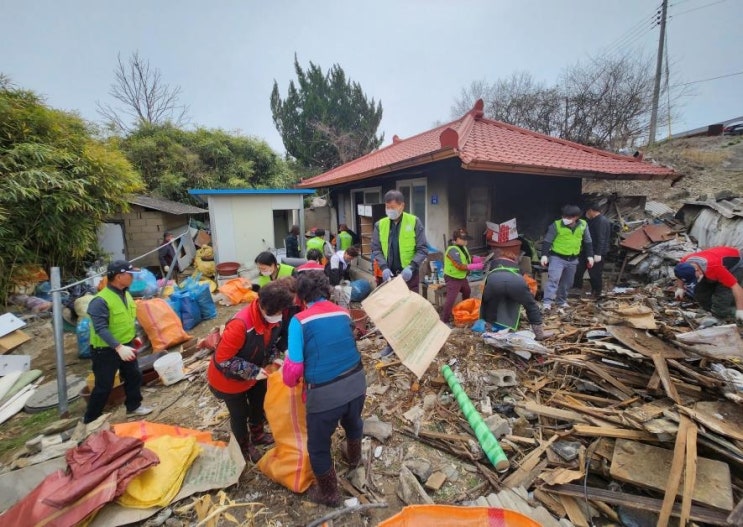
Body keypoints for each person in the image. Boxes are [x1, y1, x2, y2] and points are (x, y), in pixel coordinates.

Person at [283, 271, 366, 507]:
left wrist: (286, 377)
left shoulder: (299, 322)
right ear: (327, 291)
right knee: (353, 422)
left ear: (299, 297)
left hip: (325, 395)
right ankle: (354, 459)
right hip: (357, 382)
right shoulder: (343, 312)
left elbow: (294, 371)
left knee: (318, 446)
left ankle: (329, 493)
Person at [207, 281, 295, 462]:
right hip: (228, 380)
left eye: (281, 313)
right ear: (262, 305)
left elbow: (268, 343)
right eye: (276, 313)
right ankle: (244, 446)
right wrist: (253, 371)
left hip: (257, 372)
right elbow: (223, 359)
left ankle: (258, 434)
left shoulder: (274, 318)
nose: (279, 317)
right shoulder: (241, 325)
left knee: (258, 404)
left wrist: (274, 358)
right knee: (239, 414)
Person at [83, 260, 153, 424]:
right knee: (104, 385)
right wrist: (118, 347)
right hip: (105, 350)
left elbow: (126, 319)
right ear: (119, 276)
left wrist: (133, 336)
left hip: (126, 344)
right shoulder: (100, 301)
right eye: (130, 275)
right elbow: (100, 328)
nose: (133, 278)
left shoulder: (126, 294)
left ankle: (133, 407)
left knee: (133, 375)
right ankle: (90, 420)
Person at [370, 190, 428, 290]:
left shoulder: (414, 222)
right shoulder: (380, 224)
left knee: (409, 304)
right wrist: (384, 267)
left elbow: (422, 249)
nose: (389, 210)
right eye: (387, 207)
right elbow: (376, 249)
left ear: (402, 206)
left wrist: (411, 267)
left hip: (409, 275)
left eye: (393, 207)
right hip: (389, 276)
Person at [540, 205, 593, 310]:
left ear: (576, 217)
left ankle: (561, 301)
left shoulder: (583, 225)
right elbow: (547, 241)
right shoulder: (556, 225)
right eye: (564, 216)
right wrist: (544, 255)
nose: (565, 219)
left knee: (567, 282)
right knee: (554, 279)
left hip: (573, 259)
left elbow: (588, 241)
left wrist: (590, 256)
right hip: (557, 257)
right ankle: (547, 303)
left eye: (569, 217)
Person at [673, 246, 743, 322]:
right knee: (700, 292)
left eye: (694, 277)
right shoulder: (684, 262)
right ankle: (710, 312)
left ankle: (724, 316)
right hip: (715, 259)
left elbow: (736, 288)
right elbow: (679, 274)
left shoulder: (715, 267)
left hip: (736, 264)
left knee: (722, 299)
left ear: (697, 270)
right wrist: (680, 288)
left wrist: (740, 309)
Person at [573, 203, 612, 298]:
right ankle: (576, 290)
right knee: (578, 270)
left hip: (596, 253)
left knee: (595, 274)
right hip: (586, 251)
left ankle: (597, 293)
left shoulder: (601, 221)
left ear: (590, 210)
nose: (586, 213)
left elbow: (601, 238)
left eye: (587, 211)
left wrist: (598, 253)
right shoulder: (592, 220)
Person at [441, 229, 479, 325]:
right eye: (463, 239)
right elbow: (459, 265)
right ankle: (444, 320)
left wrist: (475, 260)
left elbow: (467, 258)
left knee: (467, 291)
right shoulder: (452, 250)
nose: (466, 241)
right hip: (453, 277)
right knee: (451, 298)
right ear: (457, 239)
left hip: (462, 277)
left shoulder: (463, 247)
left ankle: (464, 311)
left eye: (466, 239)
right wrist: (474, 266)